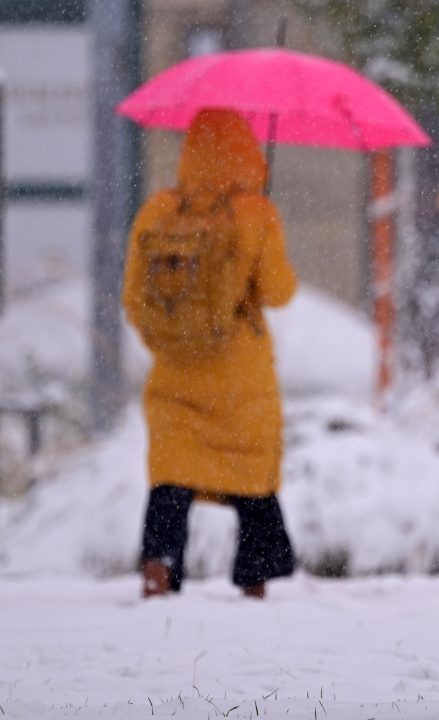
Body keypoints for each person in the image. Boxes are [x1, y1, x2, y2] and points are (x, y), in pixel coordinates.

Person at [122, 108, 297, 599]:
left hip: (173, 373)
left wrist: (173, 336)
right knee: (252, 473)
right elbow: (279, 292)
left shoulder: (159, 209)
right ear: (246, 151)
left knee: (173, 475)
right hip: (241, 373)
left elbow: (133, 296)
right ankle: (255, 579)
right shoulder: (255, 211)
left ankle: (159, 569)